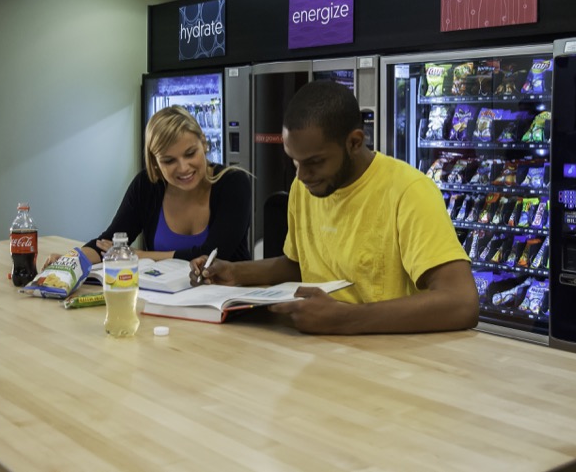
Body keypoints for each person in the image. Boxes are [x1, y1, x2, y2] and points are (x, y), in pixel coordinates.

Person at [191, 80, 478, 335]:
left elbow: (461, 302)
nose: (301, 175)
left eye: (315, 162)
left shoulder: (409, 191)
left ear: (354, 142)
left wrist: (346, 319)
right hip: (324, 357)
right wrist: (236, 273)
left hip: (394, 363)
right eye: (294, 161)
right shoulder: (304, 187)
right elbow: (299, 265)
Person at [79, 104, 252, 264]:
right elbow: (107, 244)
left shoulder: (233, 183)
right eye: (169, 161)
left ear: (204, 144)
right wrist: (70, 262)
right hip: (162, 297)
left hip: (229, 295)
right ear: (155, 162)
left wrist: (140, 256)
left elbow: (212, 257)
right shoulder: (146, 185)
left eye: (190, 154)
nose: (183, 168)